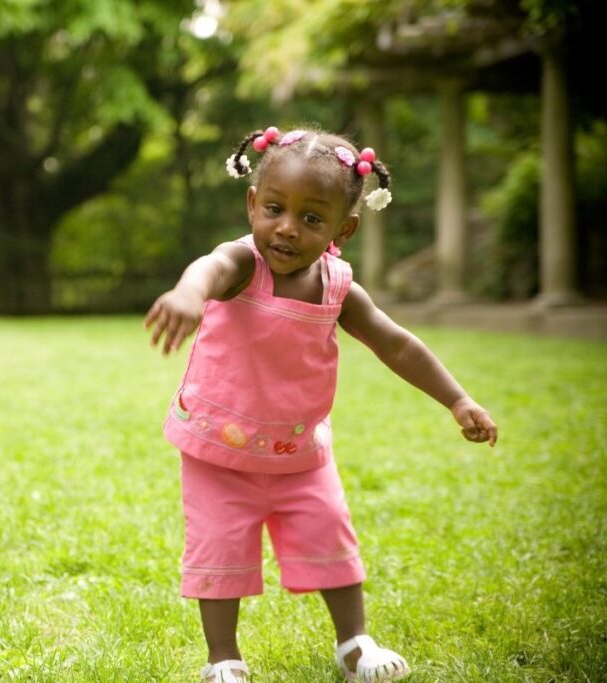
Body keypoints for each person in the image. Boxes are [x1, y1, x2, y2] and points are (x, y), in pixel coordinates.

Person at [144, 125, 498, 683]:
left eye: (312, 218)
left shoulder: (338, 288)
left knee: (330, 536)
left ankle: (354, 644)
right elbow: (206, 269)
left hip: (299, 453)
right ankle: (223, 661)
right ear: (251, 203)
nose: (286, 229)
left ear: (344, 227)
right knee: (219, 550)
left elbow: (397, 343)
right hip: (218, 451)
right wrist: (188, 294)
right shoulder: (241, 266)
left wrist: (457, 400)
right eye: (274, 209)